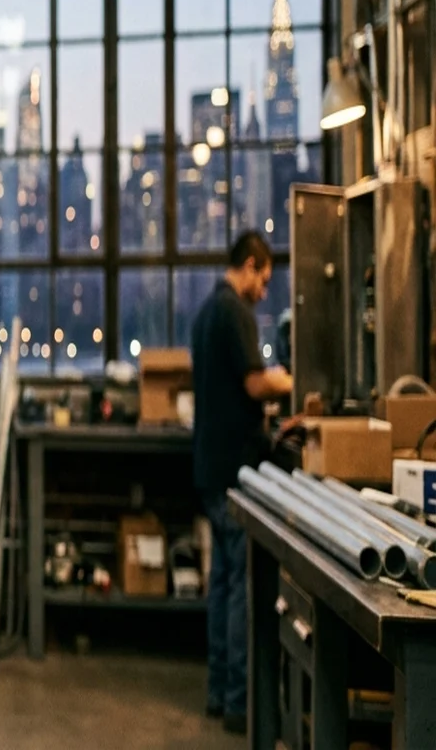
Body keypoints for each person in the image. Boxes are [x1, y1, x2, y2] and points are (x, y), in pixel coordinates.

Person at [190, 229, 292, 735]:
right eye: (265, 279)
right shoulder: (234, 311)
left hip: (210, 464)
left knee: (222, 583)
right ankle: (236, 702)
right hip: (233, 468)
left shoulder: (208, 310)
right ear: (250, 265)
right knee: (238, 587)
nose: (264, 291)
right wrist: (290, 379)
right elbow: (255, 382)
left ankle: (216, 691)